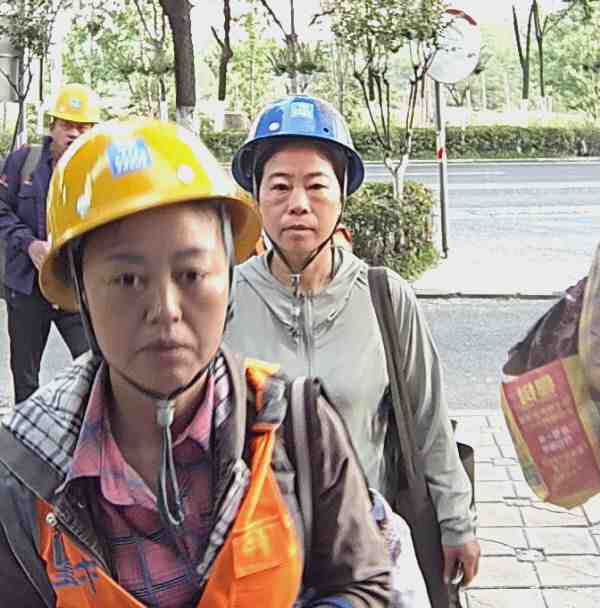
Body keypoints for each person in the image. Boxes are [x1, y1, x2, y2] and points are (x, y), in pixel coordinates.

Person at [0, 118, 390, 607]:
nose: (165, 309)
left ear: (228, 279)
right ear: (82, 292)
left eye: (191, 273)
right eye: (126, 280)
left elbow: (364, 583)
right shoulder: (22, 473)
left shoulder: (295, 424)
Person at [226, 95, 481, 605]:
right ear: (257, 196)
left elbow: (428, 421)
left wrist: (457, 523)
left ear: (341, 195)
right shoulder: (223, 298)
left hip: (365, 550)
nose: (299, 203)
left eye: (317, 185)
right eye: (280, 186)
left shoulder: (385, 297)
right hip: (253, 555)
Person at [0, 83, 101, 404]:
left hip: (75, 289)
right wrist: (29, 244)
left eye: (83, 127)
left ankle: (85, 426)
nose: (74, 133)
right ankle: (23, 430)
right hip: (26, 288)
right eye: (67, 125)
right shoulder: (23, 162)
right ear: (52, 126)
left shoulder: (99, 173)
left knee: (95, 368)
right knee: (25, 377)